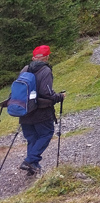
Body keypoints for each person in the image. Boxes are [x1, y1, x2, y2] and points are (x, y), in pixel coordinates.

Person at [0, 45, 65, 176]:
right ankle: (30, 161)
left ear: (33, 57)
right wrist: (60, 96)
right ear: (47, 57)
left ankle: (32, 166)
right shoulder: (45, 70)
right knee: (46, 134)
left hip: (24, 111)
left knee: (32, 138)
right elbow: (47, 94)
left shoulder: (25, 69)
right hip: (40, 112)